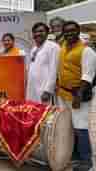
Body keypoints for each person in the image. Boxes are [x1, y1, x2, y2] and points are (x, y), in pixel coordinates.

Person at [56, 21, 96, 171]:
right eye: (66, 31)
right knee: (68, 125)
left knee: (80, 126)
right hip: (62, 94)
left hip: (78, 95)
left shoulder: (87, 51)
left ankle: (86, 161)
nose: (69, 34)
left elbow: (87, 75)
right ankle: (74, 155)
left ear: (78, 31)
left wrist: (78, 97)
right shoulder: (63, 48)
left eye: (72, 31)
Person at [26, 22, 60, 103]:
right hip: (32, 89)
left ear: (47, 33)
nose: (37, 34)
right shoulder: (34, 49)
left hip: (44, 91)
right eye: (35, 32)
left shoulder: (53, 47)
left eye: (41, 31)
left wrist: (48, 90)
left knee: (46, 114)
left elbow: (54, 70)